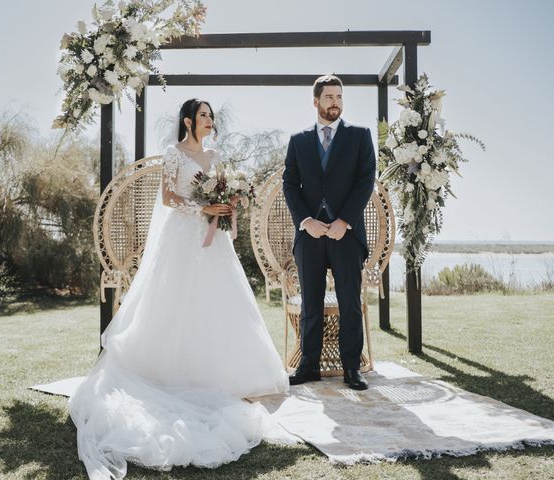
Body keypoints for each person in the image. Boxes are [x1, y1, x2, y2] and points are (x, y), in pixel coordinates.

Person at [68, 98, 292, 479]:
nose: (209, 120)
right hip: (182, 239)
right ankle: (169, 374)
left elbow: (219, 193)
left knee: (220, 305)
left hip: (213, 242)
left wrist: (228, 203)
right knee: (177, 305)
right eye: (203, 115)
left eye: (211, 116)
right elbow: (169, 198)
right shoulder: (174, 153)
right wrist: (202, 209)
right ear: (188, 121)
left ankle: (230, 377)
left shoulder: (215, 154)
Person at [282, 74, 376, 390]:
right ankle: (309, 366)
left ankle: (353, 369)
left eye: (339, 96)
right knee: (311, 302)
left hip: (345, 234)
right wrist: (305, 220)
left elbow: (365, 181)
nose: (335, 102)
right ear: (316, 102)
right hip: (309, 234)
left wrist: (344, 221)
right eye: (329, 97)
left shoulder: (360, 136)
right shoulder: (298, 141)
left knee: (349, 301)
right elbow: (290, 184)